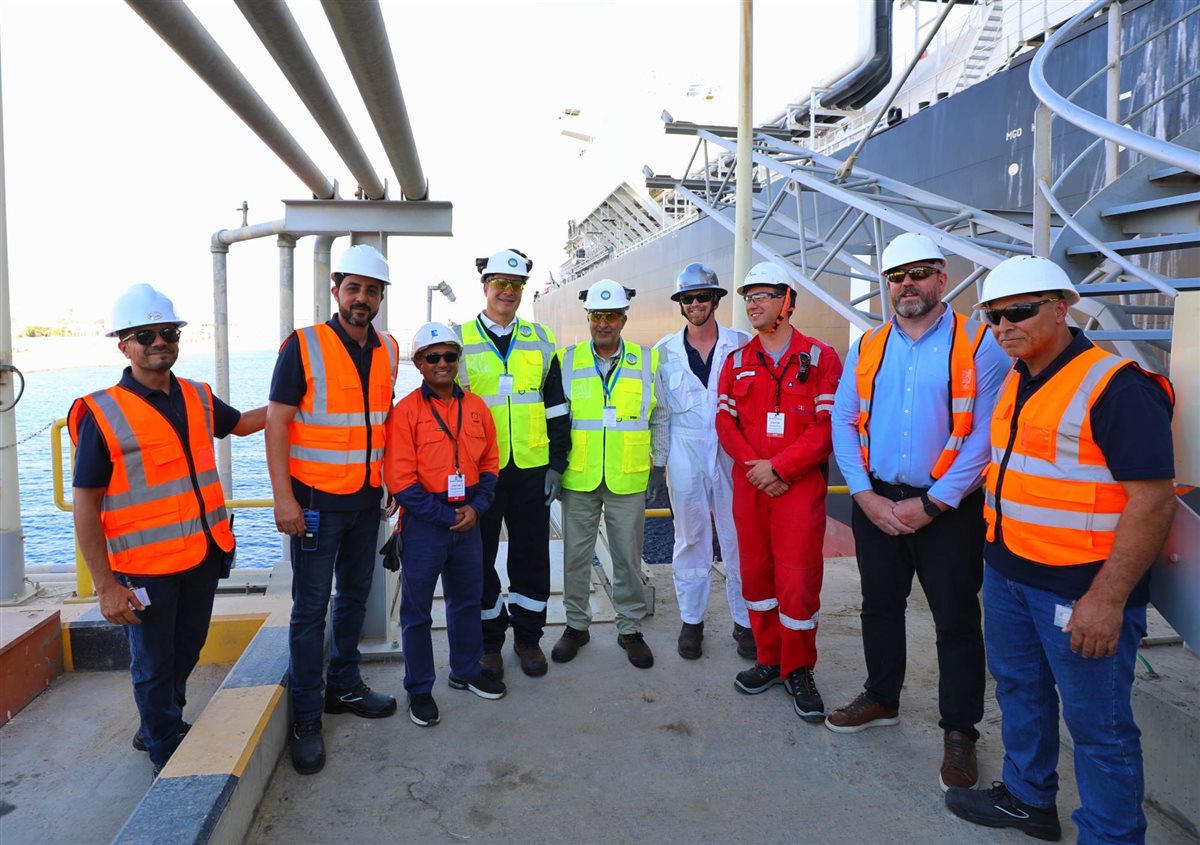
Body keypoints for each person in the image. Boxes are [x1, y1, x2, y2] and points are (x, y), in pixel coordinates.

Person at [945, 255, 1176, 844]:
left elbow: (1153, 502)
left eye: (1019, 312)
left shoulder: (1117, 387)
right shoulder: (1019, 377)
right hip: (1010, 575)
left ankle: (1111, 834)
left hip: (1080, 589)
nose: (1004, 327)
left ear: (1060, 308)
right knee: (1019, 690)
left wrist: (1108, 599)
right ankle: (1028, 799)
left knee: (1099, 727)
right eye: (993, 316)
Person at [828, 233, 1010, 790]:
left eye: (918, 273)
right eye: (896, 277)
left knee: (956, 619)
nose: (906, 285)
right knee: (879, 605)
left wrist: (933, 503)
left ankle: (960, 730)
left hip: (948, 508)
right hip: (877, 499)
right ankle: (882, 696)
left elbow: (985, 436)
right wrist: (864, 496)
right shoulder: (868, 345)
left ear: (941, 277)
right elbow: (843, 420)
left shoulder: (980, 344)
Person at [70, 284, 265, 776]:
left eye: (168, 332)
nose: (159, 342)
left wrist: (298, 403)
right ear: (124, 346)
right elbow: (86, 504)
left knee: (188, 646)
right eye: (145, 335)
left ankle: (159, 721)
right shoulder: (102, 413)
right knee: (154, 660)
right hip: (144, 568)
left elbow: (242, 424)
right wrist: (106, 586)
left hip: (202, 553)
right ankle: (163, 743)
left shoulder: (197, 396)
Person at [266, 244, 401, 775]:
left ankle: (343, 684)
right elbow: (277, 423)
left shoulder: (389, 349)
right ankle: (306, 717)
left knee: (355, 598)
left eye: (371, 291)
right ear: (336, 290)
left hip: (367, 501)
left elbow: (384, 421)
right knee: (310, 609)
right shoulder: (302, 346)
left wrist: (392, 480)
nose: (361, 299)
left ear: (381, 297)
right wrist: (283, 498)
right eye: (354, 289)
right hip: (315, 504)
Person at [715, 261, 842, 722]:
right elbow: (724, 421)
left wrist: (780, 467)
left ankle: (799, 669)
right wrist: (758, 470)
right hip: (752, 487)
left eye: (762, 296)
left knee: (798, 581)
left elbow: (828, 426)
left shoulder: (821, 358)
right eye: (748, 297)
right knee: (756, 575)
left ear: (787, 301)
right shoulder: (736, 361)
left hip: (797, 488)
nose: (752, 304)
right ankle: (769, 659)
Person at [385, 322, 505, 727]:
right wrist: (444, 515)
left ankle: (466, 669)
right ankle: (419, 688)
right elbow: (400, 480)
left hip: (468, 516)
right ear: (419, 363)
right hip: (425, 523)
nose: (442, 363)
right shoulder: (406, 413)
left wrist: (477, 507)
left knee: (467, 600)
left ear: (458, 360)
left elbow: (490, 463)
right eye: (432, 357)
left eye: (449, 356)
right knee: (417, 611)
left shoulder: (477, 408)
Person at [457, 249, 569, 679]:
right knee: (478, 559)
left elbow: (556, 408)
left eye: (516, 285)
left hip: (531, 468)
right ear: (485, 286)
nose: (507, 291)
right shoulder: (459, 340)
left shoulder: (541, 340)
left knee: (531, 557)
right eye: (500, 283)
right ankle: (490, 643)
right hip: (480, 472)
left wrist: (556, 463)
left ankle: (528, 638)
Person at [551, 279, 668, 669]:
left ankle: (629, 627)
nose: (604, 323)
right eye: (597, 316)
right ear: (588, 318)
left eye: (612, 316)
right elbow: (555, 420)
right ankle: (576, 625)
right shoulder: (566, 360)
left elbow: (660, 416)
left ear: (624, 319)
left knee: (627, 559)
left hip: (628, 476)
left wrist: (659, 466)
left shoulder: (647, 360)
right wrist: (554, 467)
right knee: (575, 557)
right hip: (579, 477)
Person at [653, 263, 753, 660]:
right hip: (684, 449)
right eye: (688, 298)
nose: (695, 304)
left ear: (715, 300)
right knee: (690, 536)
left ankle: (745, 621)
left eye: (702, 297)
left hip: (732, 449)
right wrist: (659, 463)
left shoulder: (742, 344)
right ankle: (691, 621)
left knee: (737, 536)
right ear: (680, 304)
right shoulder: (664, 352)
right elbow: (661, 413)